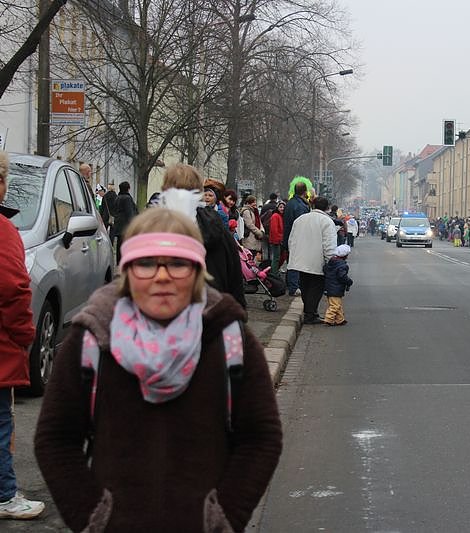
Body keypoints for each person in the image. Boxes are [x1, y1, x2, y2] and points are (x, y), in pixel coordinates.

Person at [34, 207, 282, 531]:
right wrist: (94, 519)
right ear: (127, 270)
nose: (161, 276)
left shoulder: (231, 340)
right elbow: (56, 438)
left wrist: (222, 519)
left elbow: (261, 436)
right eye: (146, 263)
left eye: (177, 264)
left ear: (196, 271)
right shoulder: (92, 340)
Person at [0, 151, 46, 520]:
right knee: (1, 421)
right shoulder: (3, 231)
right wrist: (24, 336)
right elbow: (15, 288)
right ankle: (4, 494)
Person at [158, 164, 246, 309]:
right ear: (199, 191)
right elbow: (235, 280)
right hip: (211, 311)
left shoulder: (153, 228)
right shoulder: (218, 227)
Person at [288, 196, 337, 324]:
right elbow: (329, 244)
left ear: (313, 205)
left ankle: (309, 312)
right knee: (316, 288)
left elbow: (291, 240)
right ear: (327, 208)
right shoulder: (327, 222)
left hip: (301, 259)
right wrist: (331, 261)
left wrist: (293, 255)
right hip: (317, 261)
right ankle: (310, 314)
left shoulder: (300, 220)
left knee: (305, 286)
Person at [283, 180, 311, 296]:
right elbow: (302, 224)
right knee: (296, 262)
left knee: (291, 261)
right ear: (304, 192)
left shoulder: (290, 203)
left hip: (289, 235)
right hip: (298, 238)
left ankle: (291, 285)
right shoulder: (300, 206)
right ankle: (294, 287)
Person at [323, 244, 353, 326]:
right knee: (335, 305)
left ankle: (340, 319)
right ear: (345, 256)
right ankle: (328, 319)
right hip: (336, 289)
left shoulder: (331, 262)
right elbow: (342, 276)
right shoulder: (342, 266)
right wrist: (349, 281)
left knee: (337, 304)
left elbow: (325, 270)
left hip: (329, 287)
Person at [113, 181, 139, 264]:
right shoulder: (127, 198)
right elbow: (129, 212)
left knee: (119, 244)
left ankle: (119, 261)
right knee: (125, 243)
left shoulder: (117, 198)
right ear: (128, 188)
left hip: (118, 224)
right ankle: (125, 261)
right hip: (125, 225)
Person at [241, 195, 264, 259]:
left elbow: (259, 222)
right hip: (249, 238)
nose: (255, 203)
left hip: (254, 238)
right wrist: (259, 232)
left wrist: (262, 231)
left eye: (255, 202)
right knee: (249, 256)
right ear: (248, 203)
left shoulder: (254, 211)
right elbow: (249, 224)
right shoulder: (246, 211)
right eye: (253, 202)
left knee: (253, 256)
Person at [269, 202, 286, 275]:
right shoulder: (275, 216)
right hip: (276, 241)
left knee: (278, 257)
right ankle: (274, 273)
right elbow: (274, 230)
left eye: (283, 207)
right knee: (276, 258)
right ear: (277, 208)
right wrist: (278, 240)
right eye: (280, 207)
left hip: (279, 240)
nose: (282, 208)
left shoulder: (280, 216)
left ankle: (275, 271)